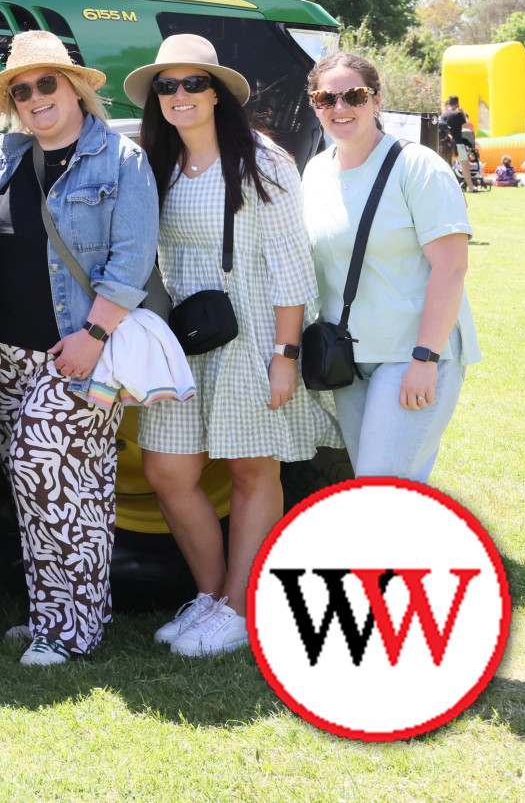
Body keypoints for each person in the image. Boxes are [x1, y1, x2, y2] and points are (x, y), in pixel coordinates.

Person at [124, 36, 337, 659]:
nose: (180, 96)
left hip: (253, 332)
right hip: (184, 337)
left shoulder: (260, 160)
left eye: (193, 84)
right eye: (168, 86)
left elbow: (292, 264)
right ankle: (215, 598)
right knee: (168, 469)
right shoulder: (155, 162)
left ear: (217, 92)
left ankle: (240, 610)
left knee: (252, 469)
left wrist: (286, 354)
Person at [0, 31, 159, 668]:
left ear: (74, 88)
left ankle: (71, 632)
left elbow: (132, 261)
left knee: (49, 473)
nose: (35, 98)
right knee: (46, 488)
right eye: (22, 91)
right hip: (5, 353)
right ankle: (59, 611)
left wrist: (95, 335)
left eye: (47, 84)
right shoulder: (5, 158)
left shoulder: (119, 160)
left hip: (81, 347)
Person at [301, 52, 478, 482]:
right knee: (373, 484)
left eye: (354, 96)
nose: (340, 108)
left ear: (376, 100)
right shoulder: (315, 172)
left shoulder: (418, 167)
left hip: (411, 351)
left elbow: (451, 268)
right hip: (348, 358)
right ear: (314, 105)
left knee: (382, 487)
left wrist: (425, 359)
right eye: (327, 99)